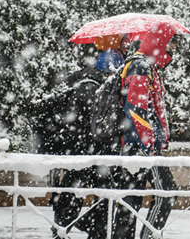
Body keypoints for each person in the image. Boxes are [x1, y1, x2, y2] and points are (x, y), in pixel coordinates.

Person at [39, 34, 128, 239]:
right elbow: (93, 120)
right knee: (95, 194)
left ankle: (66, 228)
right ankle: (74, 229)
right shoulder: (95, 85)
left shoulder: (84, 79)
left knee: (80, 192)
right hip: (89, 149)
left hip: (81, 149)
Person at [112, 25, 183, 239]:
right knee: (166, 193)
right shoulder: (141, 66)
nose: (172, 49)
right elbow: (136, 108)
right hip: (141, 147)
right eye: (170, 44)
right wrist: (149, 144)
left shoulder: (149, 67)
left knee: (131, 200)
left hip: (139, 145)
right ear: (159, 43)